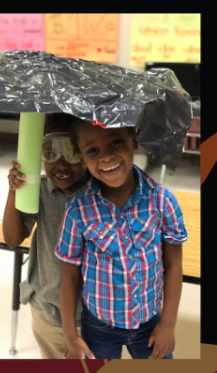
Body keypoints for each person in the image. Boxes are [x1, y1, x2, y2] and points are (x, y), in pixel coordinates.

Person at [56, 121, 188, 359]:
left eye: (115, 142)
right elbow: (69, 275)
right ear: (82, 159)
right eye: (93, 150)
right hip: (99, 327)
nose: (106, 157)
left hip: (149, 322)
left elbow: (173, 264)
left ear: (133, 141)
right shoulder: (77, 210)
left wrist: (168, 325)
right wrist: (70, 335)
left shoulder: (162, 201)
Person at [2, 114, 92, 358]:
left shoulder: (100, 193)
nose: (61, 164)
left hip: (94, 314)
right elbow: (12, 238)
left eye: (72, 151)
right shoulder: (40, 189)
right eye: (50, 152)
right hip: (46, 310)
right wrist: (14, 191)